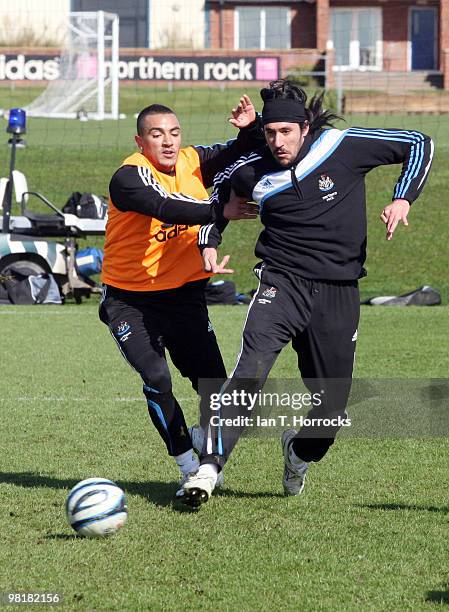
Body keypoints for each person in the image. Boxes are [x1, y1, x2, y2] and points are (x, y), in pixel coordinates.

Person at [181, 79, 434, 508]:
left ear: (304, 127)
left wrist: (403, 198)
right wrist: (209, 240)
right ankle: (209, 468)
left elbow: (419, 141)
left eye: (286, 132)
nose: (278, 143)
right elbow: (214, 200)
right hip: (281, 283)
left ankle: (297, 452)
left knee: (332, 409)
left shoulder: (344, 146)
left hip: (338, 292)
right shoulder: (251, 166)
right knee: (250, 371)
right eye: (270, 133)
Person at [99, 96, 262, 497]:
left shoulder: (191, 160)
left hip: (185, 297)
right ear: (141, 141)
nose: (168, 142)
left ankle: (207, 455)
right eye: (157, 135)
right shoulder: (129, 177)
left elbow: (239, 151)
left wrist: (248, 129)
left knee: (213, 385)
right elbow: (164, 206)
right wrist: (221, 210)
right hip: (130, 300)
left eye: (174, 133)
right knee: (156, 378)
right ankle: (187, 462)